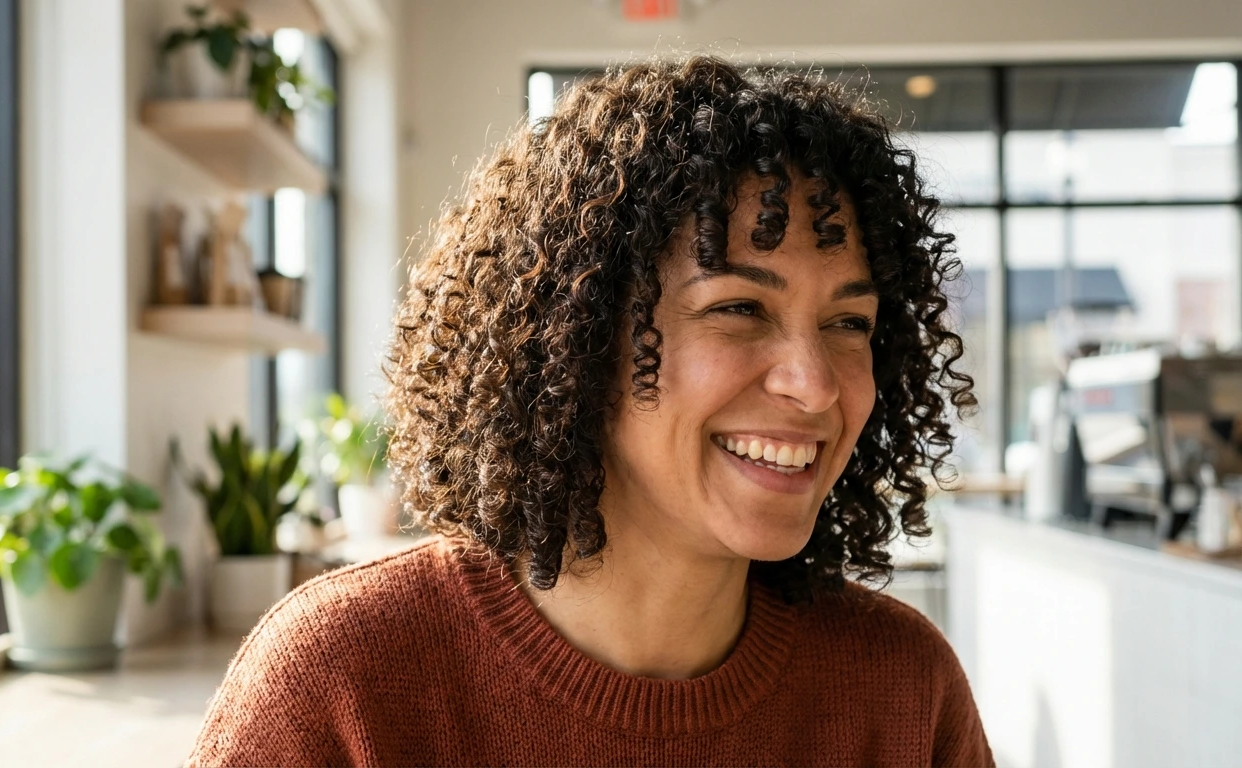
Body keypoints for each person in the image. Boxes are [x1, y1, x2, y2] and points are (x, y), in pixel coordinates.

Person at [188, 55, 991, 767]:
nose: (815, 385)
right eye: (739, 308)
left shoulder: (902, 693)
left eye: (849, 324)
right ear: (578, 336)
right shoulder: (341, 684)